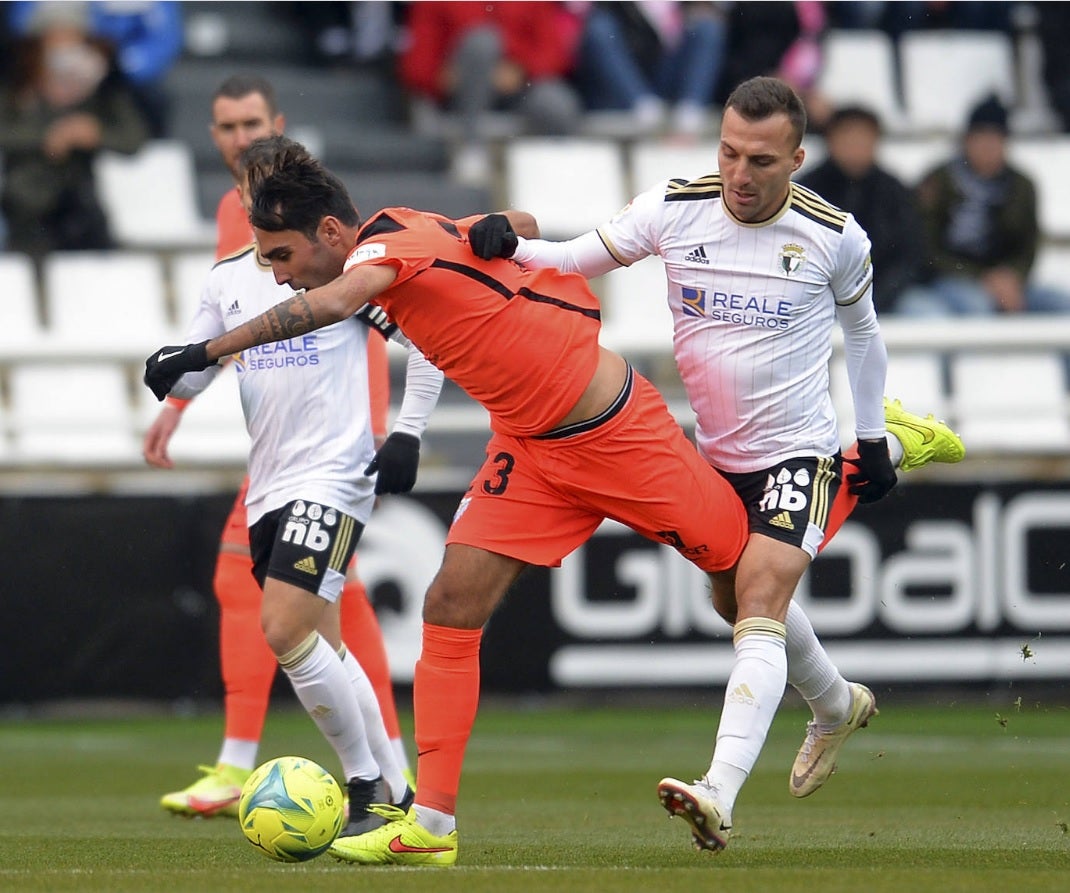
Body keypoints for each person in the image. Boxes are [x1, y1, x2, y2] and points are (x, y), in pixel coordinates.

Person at [143, 142, 798, 864]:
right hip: (530, 448)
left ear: (332, 234)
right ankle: (429, 823)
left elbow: (326, 303)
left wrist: (202, 352)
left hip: (616, 431)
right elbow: (509, 220)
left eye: (283, 256)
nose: (279, 274)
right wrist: (506, 224)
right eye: (267, 260)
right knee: (450, 603)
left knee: (742, 582)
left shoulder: (380, 253)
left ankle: (829, 699)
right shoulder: (403, 241)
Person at [466, 76, 965, 853]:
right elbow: (576, 255)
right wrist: (510, 243)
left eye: (761, 159)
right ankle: (834, 702)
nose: (740, 172)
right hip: (717, 456)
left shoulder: (835, 235)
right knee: (731, 601)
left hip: (798, 448)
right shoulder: (676, 205)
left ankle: (716, 792)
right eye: (730, 151)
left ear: (797, 158)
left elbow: (865, 336)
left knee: (759, 595)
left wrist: (866, 436)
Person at [153, 135, 446, 838]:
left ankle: (365, 785)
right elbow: (196, 368)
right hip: (268, 484)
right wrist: (170, 378)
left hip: (336, 473)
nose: (258, 200)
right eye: (251, 187)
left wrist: (407, 431)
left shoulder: (336, 271)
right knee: (325, 648)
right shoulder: (227, 279)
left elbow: (428, 344)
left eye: (271, 186)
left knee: (283, 627)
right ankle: (398, 788)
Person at [0, 0, 150, 256]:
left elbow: (133, 138)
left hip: (80, 208)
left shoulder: (101, 85)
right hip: (26, 206)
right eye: (56, 34)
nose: (64, 44)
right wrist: (48, 136)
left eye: (73, 35)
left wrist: (95, 132)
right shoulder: (16, 80)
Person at [900, 94, 1070, 317]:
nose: (988, 146)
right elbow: (925, 247)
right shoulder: (938, 180)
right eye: (981, 137)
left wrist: (1011, 277)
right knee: (977, 307)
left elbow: (1028, 245)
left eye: (996, 138)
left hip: (1008, 283)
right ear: (967, 140)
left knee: (1061, 305)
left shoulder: (1021, 185)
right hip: (949, 278)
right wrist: (981, 277)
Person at [398, 1, 583, 185]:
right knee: (482, 42)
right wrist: (441, 76)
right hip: (462, 95)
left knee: (555, 102)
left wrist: (521, 71)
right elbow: (417, 63)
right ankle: (471, 150)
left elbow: (554, 52)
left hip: (520, 89)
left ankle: (554, 177)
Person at [798, 105, 926, 315]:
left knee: (927, 314)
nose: (856, 146)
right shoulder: (806, 190)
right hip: (821, 299)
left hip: (888, 296)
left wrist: (880, 295)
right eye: (848, 138)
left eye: (864, 138)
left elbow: (911, 254)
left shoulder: (895, 190)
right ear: (830, 140)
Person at [571, 2, 728, 139]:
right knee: (600, 28)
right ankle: (644, 106)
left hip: (666, 81)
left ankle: (691, 111)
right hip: (624, 88)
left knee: (708, 27)